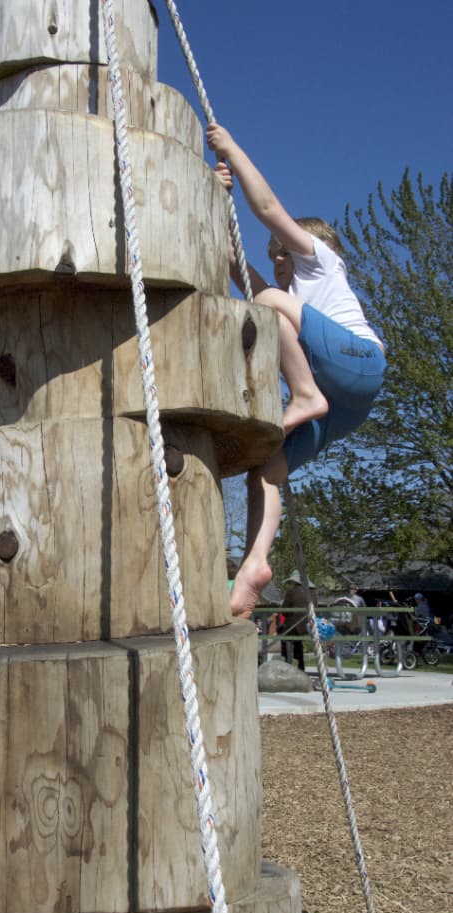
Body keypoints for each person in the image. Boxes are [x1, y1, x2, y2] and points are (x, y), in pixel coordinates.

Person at [206, 122, 386, 618]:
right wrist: (215, 201)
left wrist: (232, 149)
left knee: (266, 305)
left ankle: (303, 396)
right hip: (345, 404)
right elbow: (237, 266)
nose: (279, 257)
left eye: (284, 250)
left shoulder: (322, 262)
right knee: (266, 470)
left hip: (358, 365)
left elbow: (266, 210)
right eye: (275, 254)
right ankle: (255, 566)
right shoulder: (291, 297)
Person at [279, 570, 317, 671]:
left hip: (294, 625)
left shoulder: (292, 591)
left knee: (285, 635)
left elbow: (284, 610)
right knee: (297, 640)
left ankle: (288, 662)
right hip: (310, 624)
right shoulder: (312, 592)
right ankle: (300, 664)